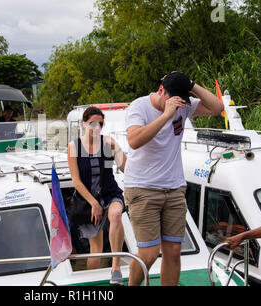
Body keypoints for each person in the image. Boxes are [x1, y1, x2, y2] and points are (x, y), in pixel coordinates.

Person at [124, 71, 224, 286]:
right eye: (173, 98)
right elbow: (133, 140)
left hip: (174, 187)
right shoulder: (139, 107)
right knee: (149, 254)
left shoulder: (183, 104)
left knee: (174, 251)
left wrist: (192, 85)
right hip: (143, 188)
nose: (179, 104)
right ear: (161, 90)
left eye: (182, 99)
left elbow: (218, 108)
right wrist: (166, 115)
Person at [67, 106, 127, 285]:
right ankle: (92, 284)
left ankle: (115, 267)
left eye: (100, 123)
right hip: (88, 201)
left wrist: (117, 148)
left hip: (110, 193)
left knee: (116, 215)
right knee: (96, 249)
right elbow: (76, 181)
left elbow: (125, 168)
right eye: (92, 123)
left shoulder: (108, 143)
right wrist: (94, 203)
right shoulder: (74, 146)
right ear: (84, 124)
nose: (96, 127)